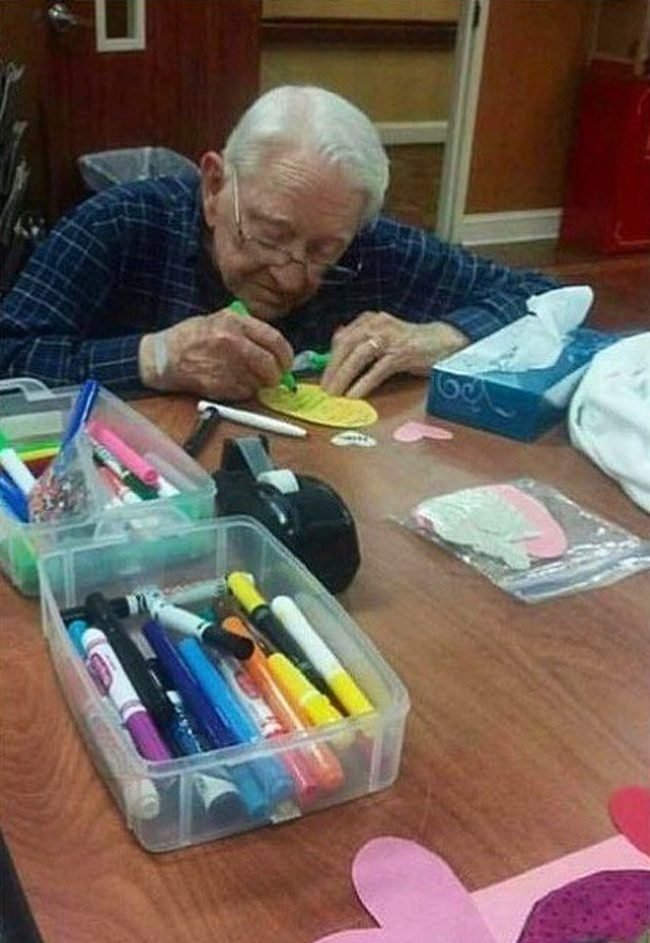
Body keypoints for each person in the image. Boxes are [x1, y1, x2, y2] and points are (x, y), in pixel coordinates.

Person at [0, 85, 559, 400]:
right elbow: (11, 358)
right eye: (270, 236)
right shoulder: (118, 224)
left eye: (323, 252)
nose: (292, 276)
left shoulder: (368, 246)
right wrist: (157, 357)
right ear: (214, 186)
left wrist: (440, 337)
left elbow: (544, 297)